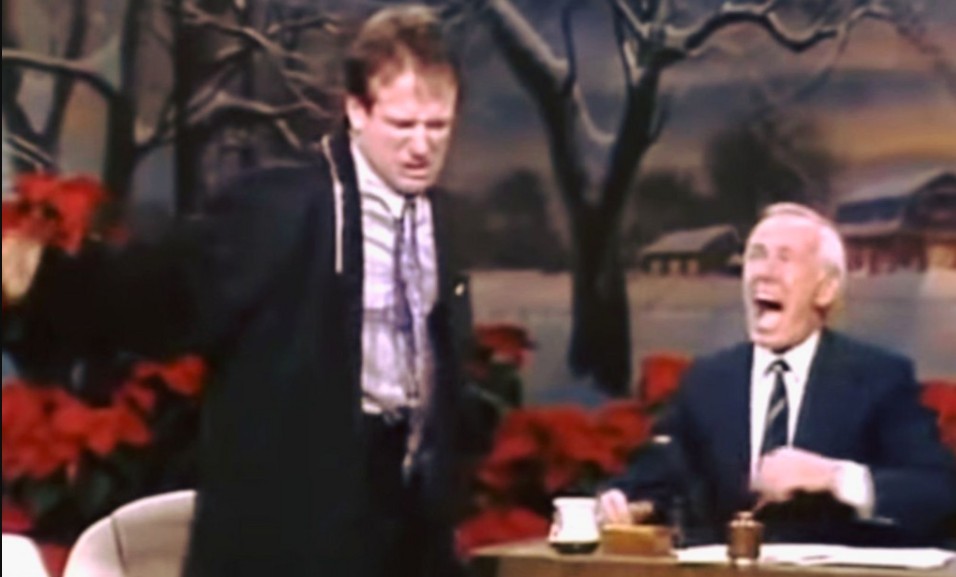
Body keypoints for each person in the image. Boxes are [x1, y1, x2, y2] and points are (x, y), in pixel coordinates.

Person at [2, 5, 470, 577]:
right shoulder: (276, 210)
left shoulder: (441, 222)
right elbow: (159, 295)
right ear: (356, 110)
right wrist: (39, 274)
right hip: (291, 534)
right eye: (402, 125)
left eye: (437, 127)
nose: (421, 146)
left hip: (406, 536)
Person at [599, 203, 956, 546]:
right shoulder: (707, 381)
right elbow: (658, 475)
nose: (763, 272)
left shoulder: (878, 378)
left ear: (826, 289)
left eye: (784, 258)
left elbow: (937, 491)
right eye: (756, 255)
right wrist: (626, 501)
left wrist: (834, 477)